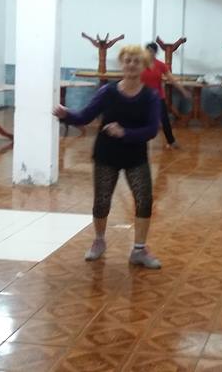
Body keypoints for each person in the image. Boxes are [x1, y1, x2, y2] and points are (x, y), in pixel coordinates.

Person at [53, 45, 162, 267]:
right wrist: (66, 115)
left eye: (136, 61)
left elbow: (152, 130)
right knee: (102, 201)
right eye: (127, 60)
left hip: (135, 155)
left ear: (144, 66)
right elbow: (85, 116)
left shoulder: (150, 97)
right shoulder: (108, 92)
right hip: (107, 153)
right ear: (122, 64)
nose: (131, 64)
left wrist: (125, 133)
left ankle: (139, 250)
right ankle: (99, 241)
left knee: (144, 200)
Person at [142, 42, 190, 149]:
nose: (148, 53)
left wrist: (183, 91)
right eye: (147, 51)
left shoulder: (160, 65)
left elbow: (172, 79)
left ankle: (171, 141)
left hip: (158, 97)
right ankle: (135, 141)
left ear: (155, 52)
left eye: (151, 51)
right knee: (138, 119)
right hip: (142, 97)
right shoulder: (139, 64)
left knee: (164, 120)